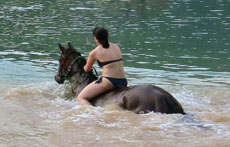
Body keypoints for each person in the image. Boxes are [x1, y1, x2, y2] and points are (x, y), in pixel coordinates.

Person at [77, 27, 127, 105]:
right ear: (107, 36)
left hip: (109, 82)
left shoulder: (94, 52)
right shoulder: (116, 46)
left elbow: (87, 69)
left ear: (95, 38)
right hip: (123, 81)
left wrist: (84, 67)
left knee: (81, 98)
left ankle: (93, 113)